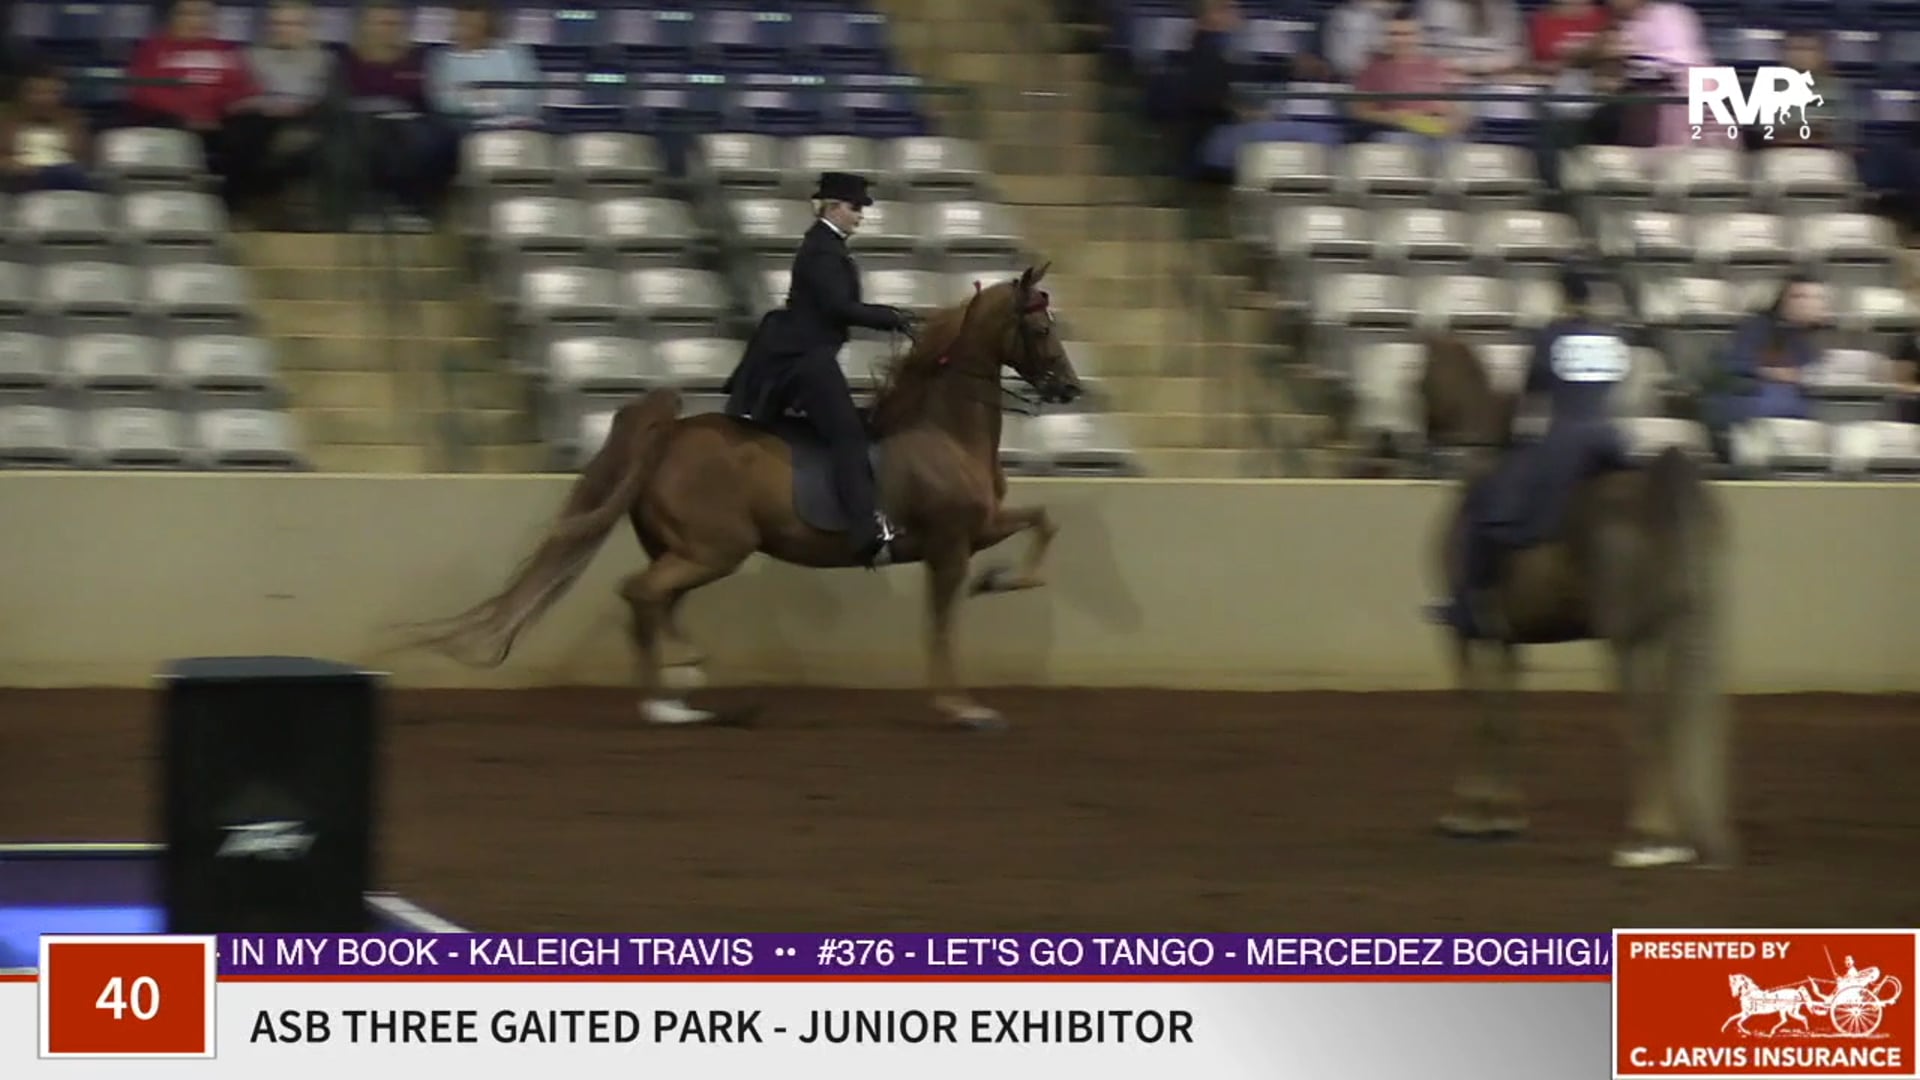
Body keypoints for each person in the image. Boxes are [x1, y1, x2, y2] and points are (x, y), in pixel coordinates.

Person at [721, 172, 923, 569]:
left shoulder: (827, 246)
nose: (860, 216)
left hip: (808, 354)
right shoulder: (823, 251)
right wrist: (892, 318)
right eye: (854, 208)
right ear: (832, 206)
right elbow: (838, 307)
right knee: (847, 434)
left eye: (860, 209)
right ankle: (866, 529)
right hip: (805, 359)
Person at [1430, 266, 1633, 638]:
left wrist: (1516, 430)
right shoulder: (1613, 336)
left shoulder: (1552, 336)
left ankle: (1471, 604)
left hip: (1566, 438)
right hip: (1611, 437)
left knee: (1487, 506)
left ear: (1564, 297)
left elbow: (1532, 394)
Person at [0, 60, 91, 192]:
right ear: (25, 93)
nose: (44, 98)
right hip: (22, 178)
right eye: (38, 92)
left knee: (70, 172)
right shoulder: (8, 120)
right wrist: (16, 166)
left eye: (51, 93)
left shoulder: (72, 121)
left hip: (63, 177)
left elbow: (84, 159)